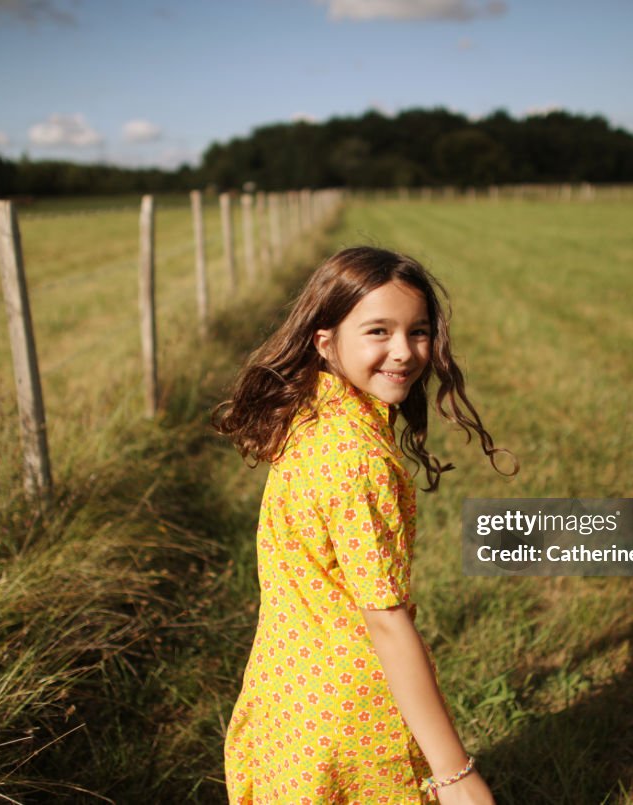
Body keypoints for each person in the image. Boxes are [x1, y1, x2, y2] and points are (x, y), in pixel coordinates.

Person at [214, 246, 514, 804]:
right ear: (325, 342)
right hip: (354, 718)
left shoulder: (311, 416)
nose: (404, 352)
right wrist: (455, 776)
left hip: (289, 693)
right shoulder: (360, 460)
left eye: (418, 331)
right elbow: (386, 623)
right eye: (378, 331)